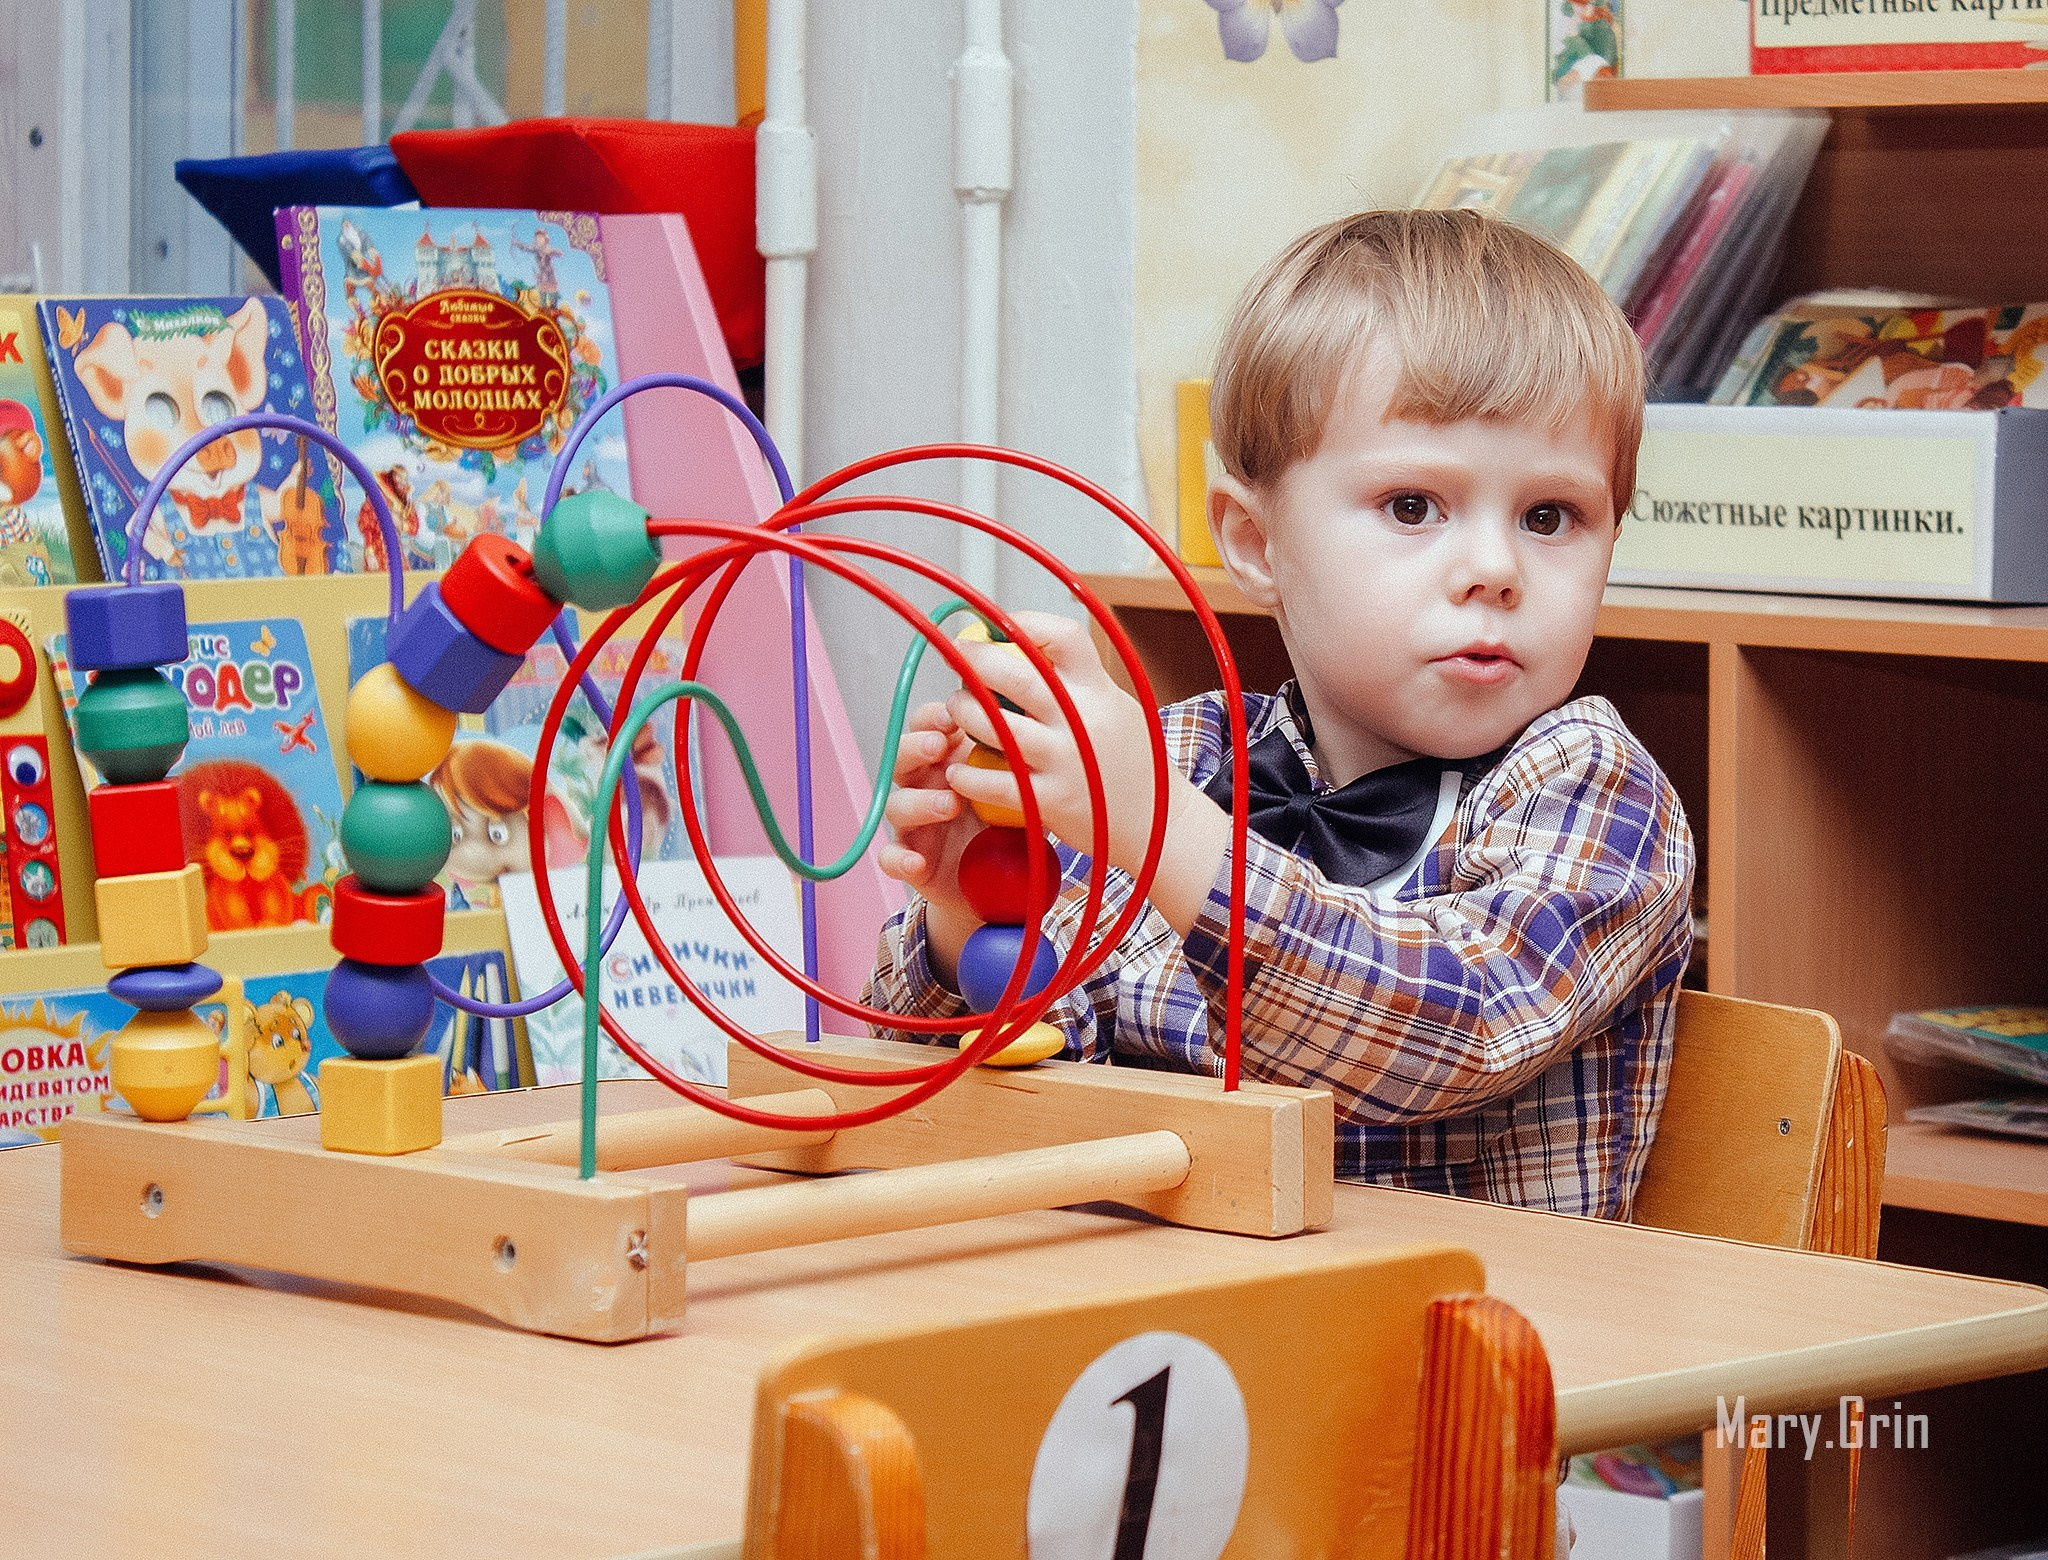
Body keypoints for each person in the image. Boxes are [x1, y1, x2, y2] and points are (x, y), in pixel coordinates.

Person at [865, 208, 1695, 1220]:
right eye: (1411, 506)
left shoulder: (1591, 789)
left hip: (1462, 1349)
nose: (1492, 569)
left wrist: (1167, 835)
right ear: (1254, 543)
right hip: (1164, 1322)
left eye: (1548, 516)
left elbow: (1459, 1030)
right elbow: (1023, 1094)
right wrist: (970, 918)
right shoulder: (1186, 752)